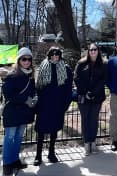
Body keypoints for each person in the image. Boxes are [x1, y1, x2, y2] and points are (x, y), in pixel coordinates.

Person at [33, 47, 73, 166]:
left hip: (58, 105)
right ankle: (38, 155)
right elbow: (38, 86)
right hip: (44, 104)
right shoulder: (43, 67)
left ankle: (51, 152)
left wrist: (65, 104)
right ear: (49, 55)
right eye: (52, 54)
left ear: (60, 55)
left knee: (54, 130)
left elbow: (68, 89)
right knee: (41, 130)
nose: (55, 56)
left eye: (57, 54)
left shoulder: (65, 69)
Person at [2, 47, 37, 176]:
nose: (27, 61)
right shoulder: (12, 75)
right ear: (19, 60)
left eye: (29, 59)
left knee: (18, 138)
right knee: (9, 138)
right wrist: (25, 99)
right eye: (24, 59)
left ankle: (15, 160)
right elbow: (8, 94)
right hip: (12, 112)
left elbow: (33, 91)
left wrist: (34, 98)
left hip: (24, 112)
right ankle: (6, 164)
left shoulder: (31, 76)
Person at [74, 43, 108, 155]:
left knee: (94, 120)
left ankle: (93, 142)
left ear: (98, 51)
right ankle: (86, 143)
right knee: (85, 120)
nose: (93, 51)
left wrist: (93, 92)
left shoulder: (103, 64)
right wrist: (85, 92)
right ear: (88, 51)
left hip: (97, 97)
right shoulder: (81, 63)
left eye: (95, 49)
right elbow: (76, 78)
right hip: (84, 97)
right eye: (91, 50)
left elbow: (103, 80)